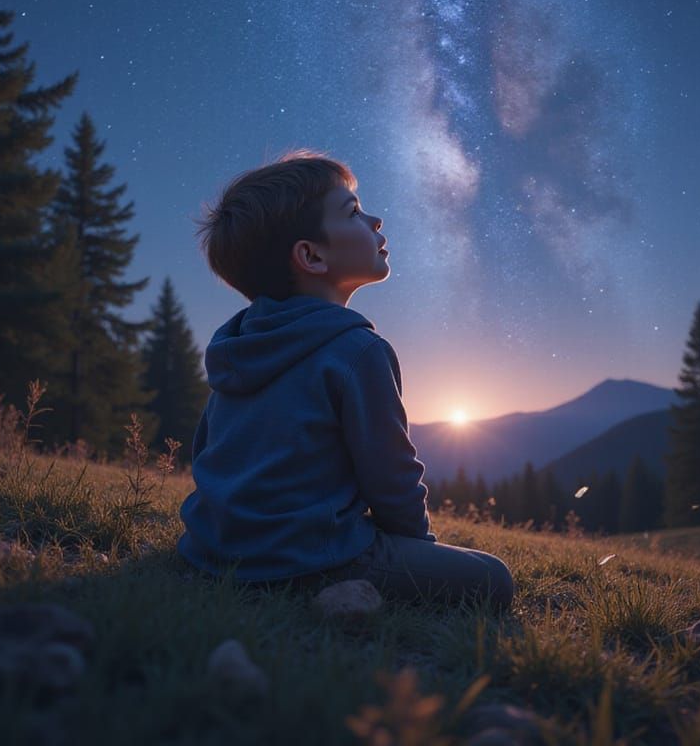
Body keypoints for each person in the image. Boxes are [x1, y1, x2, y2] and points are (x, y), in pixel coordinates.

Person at [177, 148, 514, 613]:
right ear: (311, 256)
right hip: (314, 558)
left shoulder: (236, 346)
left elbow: (209, 451)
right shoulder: (357, 351)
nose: (375, 221)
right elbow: (391, 477)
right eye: (353, 212)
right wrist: (421, 549)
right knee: (493, 577)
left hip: (211, 553)